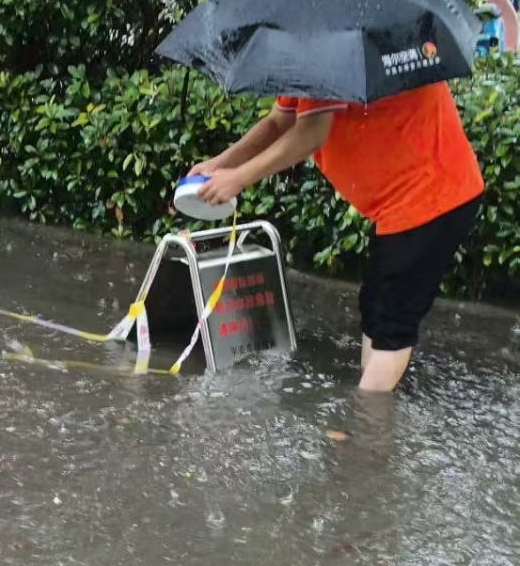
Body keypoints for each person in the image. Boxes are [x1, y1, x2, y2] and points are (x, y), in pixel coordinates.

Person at [190, 82, 483, 393]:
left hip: (430, 197)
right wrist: (221, 164)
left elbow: (311, 133)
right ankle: (370, 406)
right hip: (405, 203)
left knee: (390, 327)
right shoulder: (316, 55)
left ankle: (365, 430)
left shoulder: (323, 52)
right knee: (376, 309)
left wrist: (238, 178)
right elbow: (280, 122)